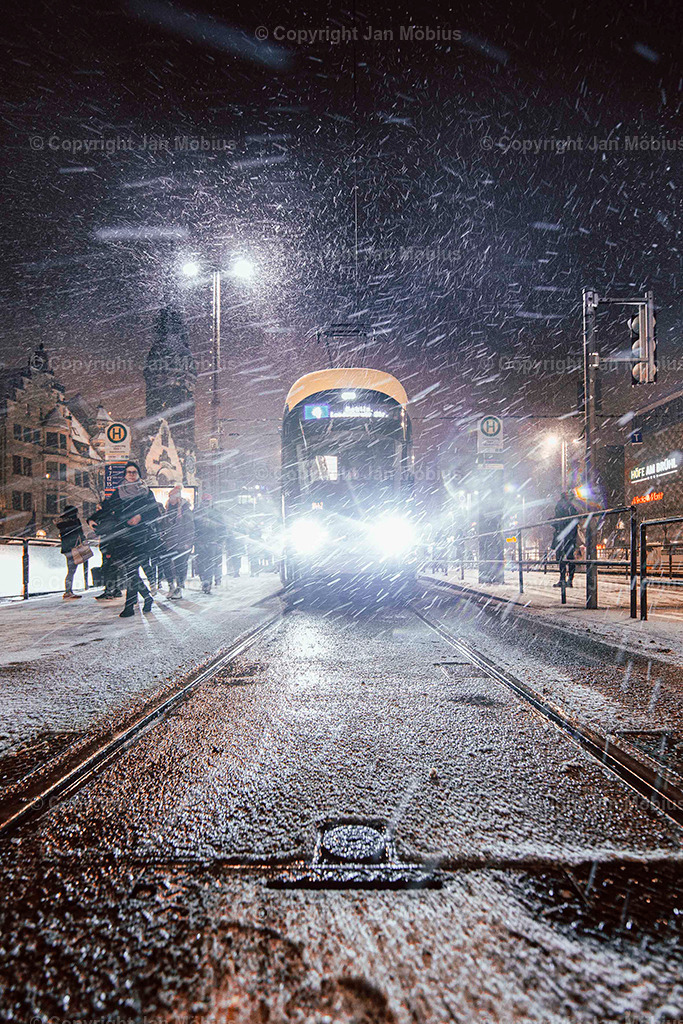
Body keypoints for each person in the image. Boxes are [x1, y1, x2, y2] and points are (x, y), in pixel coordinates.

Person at [102, 461, 159, 617]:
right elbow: (108, 509)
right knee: (130, 571)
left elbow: (155, 513)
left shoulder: (147, 492)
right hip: (123, 537)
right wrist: (95, 519)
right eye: (129, 472)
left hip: (140, 537)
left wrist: (141, 516)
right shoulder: (118, 492)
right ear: (125, 475)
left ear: (138, 474)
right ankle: (146, 597)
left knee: (131, 570)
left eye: (134, 472)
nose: (132, 474)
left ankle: (130, 606)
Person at [161, 485, 195, 599]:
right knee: (167, 565)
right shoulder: (167, 509)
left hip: (181, 544)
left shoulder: (185, 511)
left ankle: (179, 588)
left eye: (174, 496)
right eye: (170, 496)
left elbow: (190, 528)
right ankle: (171, 586)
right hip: (169, 543)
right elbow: (164, 526)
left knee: (180, 566)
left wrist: (187, 543)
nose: (171, 499)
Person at [88, 501, 123, 600]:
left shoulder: (107, 519)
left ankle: (109, 590)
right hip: (112, 547)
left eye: (98, 508)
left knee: (108, 569)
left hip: (109, 547)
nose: (97, 510)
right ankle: (115, 589)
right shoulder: (114, 516)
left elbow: (104, 532)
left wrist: (95, 527)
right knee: (113, 568)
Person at [194, 495, 225, 594]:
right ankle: (205, 581)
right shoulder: (199, 512)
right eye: (205, 501)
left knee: (209, 563)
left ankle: (208, 582)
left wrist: (220, 541)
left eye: (207, 501)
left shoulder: (215, 513)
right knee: (202, 563)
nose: (206, 503)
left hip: (211, 542)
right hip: (202, 542)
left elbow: (223, 528)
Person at [552, 490, 580, 588]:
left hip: (562, 534)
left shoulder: (561, 505)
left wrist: (553, 521)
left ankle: (563, 579)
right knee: (569, 557)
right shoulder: (572, 506)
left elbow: (559, 520)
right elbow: (574, 520)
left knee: (562, 558)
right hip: (569, 534)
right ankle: (569, 580)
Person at [56, 504, 84, 600]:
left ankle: (68, 591)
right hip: (74, 548)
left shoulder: (62, 521)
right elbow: (80, 533)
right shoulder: (75, 521)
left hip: (67, 548)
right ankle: (68, 591)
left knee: (70, 570)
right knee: (72, 570)